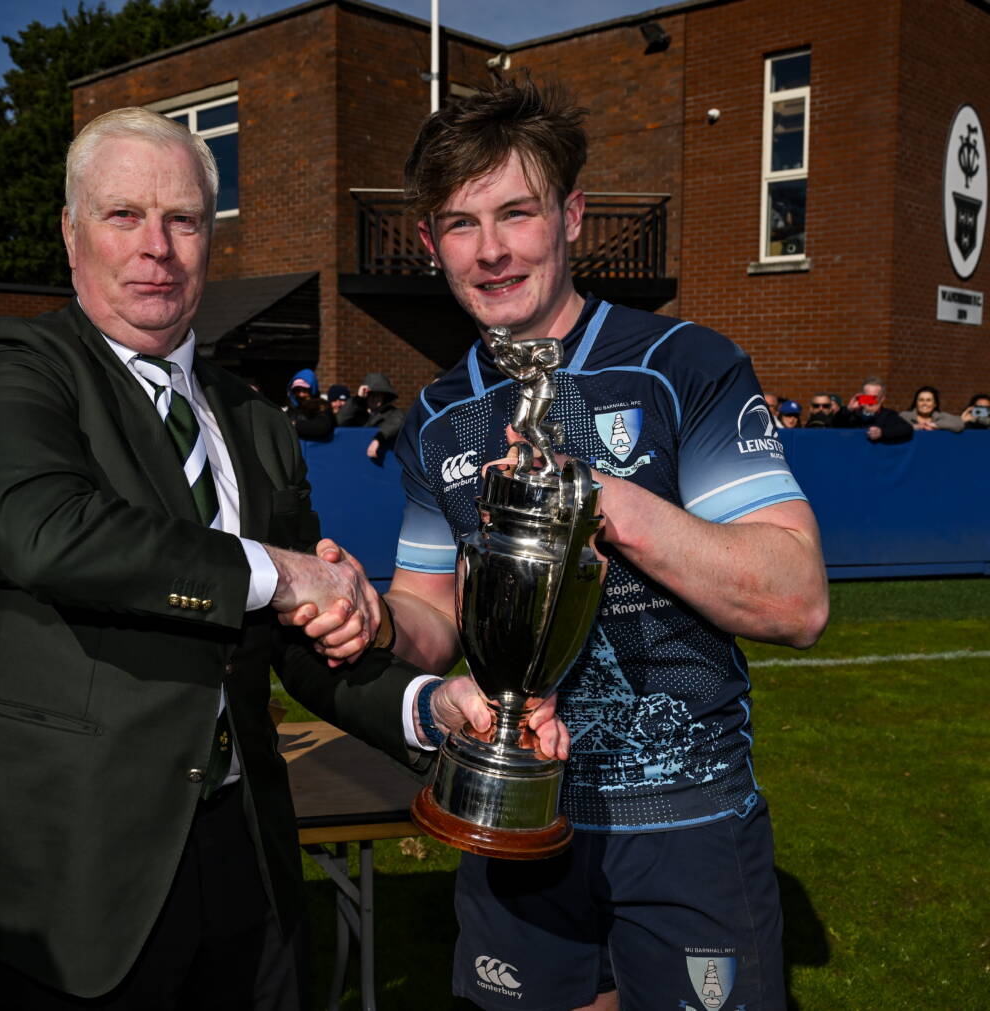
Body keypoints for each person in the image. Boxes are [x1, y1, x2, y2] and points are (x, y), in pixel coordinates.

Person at [0, 106, 514, 1010]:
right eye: (124, 215)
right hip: (60, 873)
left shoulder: (255, 418)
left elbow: (298, 639)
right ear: (71, 232)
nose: (157, 247)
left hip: (243, 855)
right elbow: (49, 530)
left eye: (182, 220)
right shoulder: (12, 363)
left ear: (209, 241)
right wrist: (283, 571)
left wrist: (425, 706)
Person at [310, 80, 828, 1011]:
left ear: (572, 216)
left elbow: (796, 598)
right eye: (461, 223)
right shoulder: (438, 415)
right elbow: (430, 612)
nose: (491, 249)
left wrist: (594, 502)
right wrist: (370, 614)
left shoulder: (683, 366)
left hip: (683, 817)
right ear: (429, 242)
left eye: (517, 212)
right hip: (513, 818)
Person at [336, 372, 404, 461]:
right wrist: (358, 399)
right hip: (354, 459)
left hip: (380, 461)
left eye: (378, 395)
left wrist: (379, 438)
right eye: (371, 394)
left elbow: (396, 422)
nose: (374, 398)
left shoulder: (392, 413)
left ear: (384, 397)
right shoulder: (356, 412)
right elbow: (339, 420)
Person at [833, 377, 913, 443]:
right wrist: (848, 409)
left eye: (874, 398)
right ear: (861, 397)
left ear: (882, 399)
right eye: (867, 397)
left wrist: (882, 432)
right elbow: (833, 426)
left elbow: (907, 429)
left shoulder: (889, 416)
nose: (870, 402)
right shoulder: (851, 415)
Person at [282, 368, 334, 441]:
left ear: (313, 389)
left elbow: (322, 427)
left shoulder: (322, 406)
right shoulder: (289, 409)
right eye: (297, 390)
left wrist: (294, 425)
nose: (301, 394)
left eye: (305, 390)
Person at [899, 386, 963, 432]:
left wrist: (935, 425)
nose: (924, 403)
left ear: (935, 404)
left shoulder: (941, 416)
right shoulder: (904, 416)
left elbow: (959, 423)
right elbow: (894, 428)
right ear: (916, 403)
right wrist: (914, 427)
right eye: (921, 400)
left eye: (928, 400)